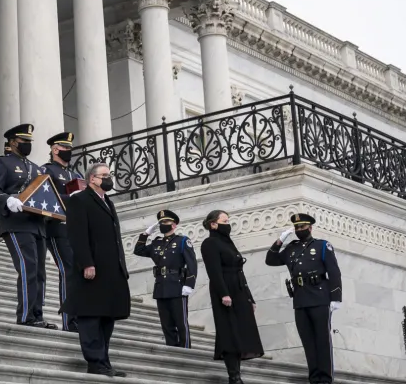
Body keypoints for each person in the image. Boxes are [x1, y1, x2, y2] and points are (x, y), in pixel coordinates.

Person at [61, 163, 130, 377]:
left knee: (107, 316)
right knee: (90, 316)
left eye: (109, 175)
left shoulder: (107, 202)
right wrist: (87, 262)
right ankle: (95, 361)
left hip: (111, 270)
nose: (109, 178)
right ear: (92, 179)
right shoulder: (79, 200)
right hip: (92, 269)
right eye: (105, 175)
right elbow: (77, 235)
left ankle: (104, 361)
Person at [0, 123, 57, 329]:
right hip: (15, 223)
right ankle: (26, 315)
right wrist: (7, 200)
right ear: (13, 142)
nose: (27, 145)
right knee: (28, 267)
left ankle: (38, 314)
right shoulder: (2, 163)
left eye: (29, 142)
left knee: (40, 270)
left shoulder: (36, 168)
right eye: (24, 141)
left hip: (37, 224)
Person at [266, 213, 342, 384]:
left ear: (310, 227)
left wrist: (335, 297)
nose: (299, 230)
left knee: (322, 339)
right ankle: (314, 378)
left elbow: (334, 271)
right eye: (297, 228)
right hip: (300, 299)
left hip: (320, 297)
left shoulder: (322, 246)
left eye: (302, 227)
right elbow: (270, 260)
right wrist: (279, 241)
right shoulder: (291, 248)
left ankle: (325, 378)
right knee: (307, 341)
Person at [201, 210, 264, 384]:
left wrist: (249, 297)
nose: (228, 224)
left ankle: (237, 374)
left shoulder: (228, 243)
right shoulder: (209, 243)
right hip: (225, 291)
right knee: (229, 332)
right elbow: (214, 271)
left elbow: (239, 270)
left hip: (239, 290)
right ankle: (234, 376)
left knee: (241, 332)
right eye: (224, 220)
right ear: (213, 224)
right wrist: (224, 294)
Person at [133, 209, 197, 348]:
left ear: (174, 225)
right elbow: (138, 250)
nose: (163, 224)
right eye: (161, 222)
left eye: (166, 222)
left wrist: (189, 284)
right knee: (166, 323)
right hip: (161, 286)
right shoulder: (156, 243)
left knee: (181, 322)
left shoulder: (182, 241)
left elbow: (192, 264)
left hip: (177, 285)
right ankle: (172, 349)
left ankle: (185, 350)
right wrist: (145, 234)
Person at [40, 131, 83, 332]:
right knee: (67, 271)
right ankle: (69, 320)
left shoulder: (75, 175)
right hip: (57, 227)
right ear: (55, 149)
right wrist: (71, 198)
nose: (68, 151)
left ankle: (77, 315)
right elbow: (44, 197)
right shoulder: (47, 170)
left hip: (76, 228)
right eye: (65, 148)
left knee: (77, 272)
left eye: (70, 148)